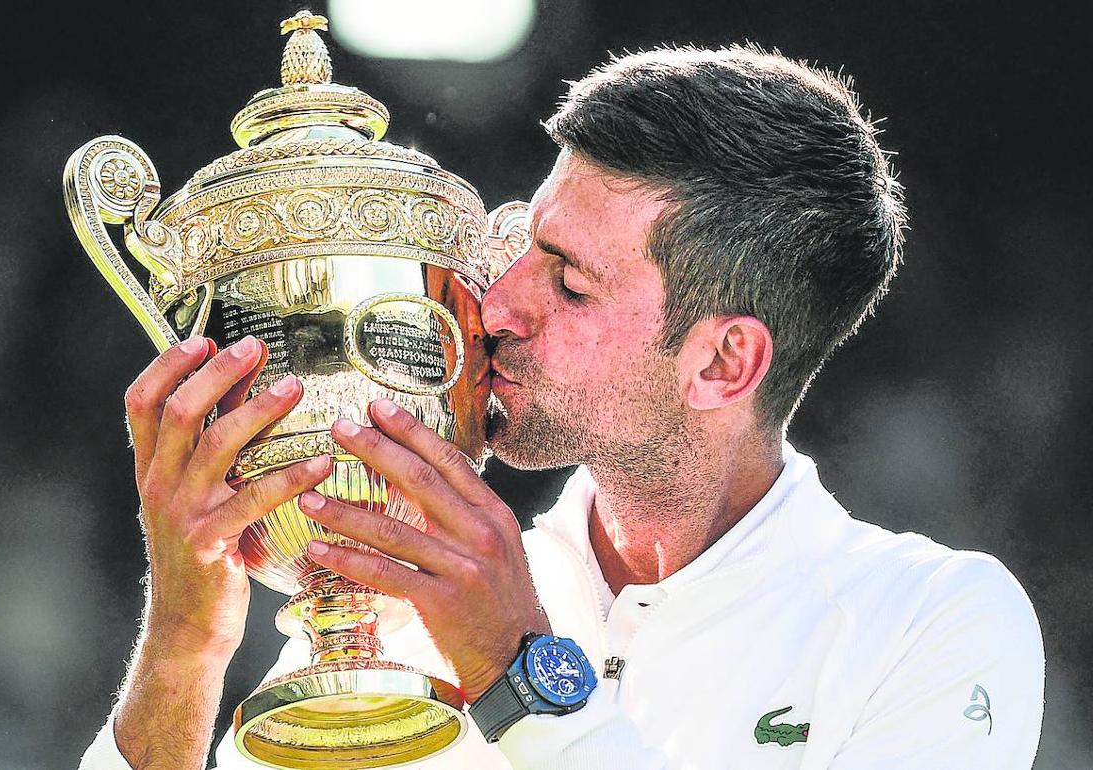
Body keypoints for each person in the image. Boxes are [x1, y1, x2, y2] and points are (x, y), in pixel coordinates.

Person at [79, 44, 1044, 770]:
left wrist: (521, 679)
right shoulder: (399, 613)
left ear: (723, 362)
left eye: (569, 283)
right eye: (527, 245)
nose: (497, 304)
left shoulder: (931, 625)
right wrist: (184, 646)